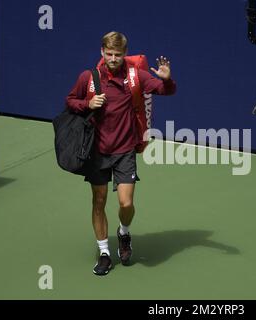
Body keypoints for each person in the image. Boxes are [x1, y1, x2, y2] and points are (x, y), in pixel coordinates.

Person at [66, 31, 176, 276]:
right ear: (102, 52)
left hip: (125, 149)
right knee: (99, 201)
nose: (113, 58)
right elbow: (71, 101)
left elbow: (165, 90)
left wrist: (167, 80)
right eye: (109, 54)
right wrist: (88, 104)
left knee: (126, 203)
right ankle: (104, 252)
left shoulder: (137, 75)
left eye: (118, 54)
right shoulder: (89, 77)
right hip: (98, 150)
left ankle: (124, 233)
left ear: (125, 54)